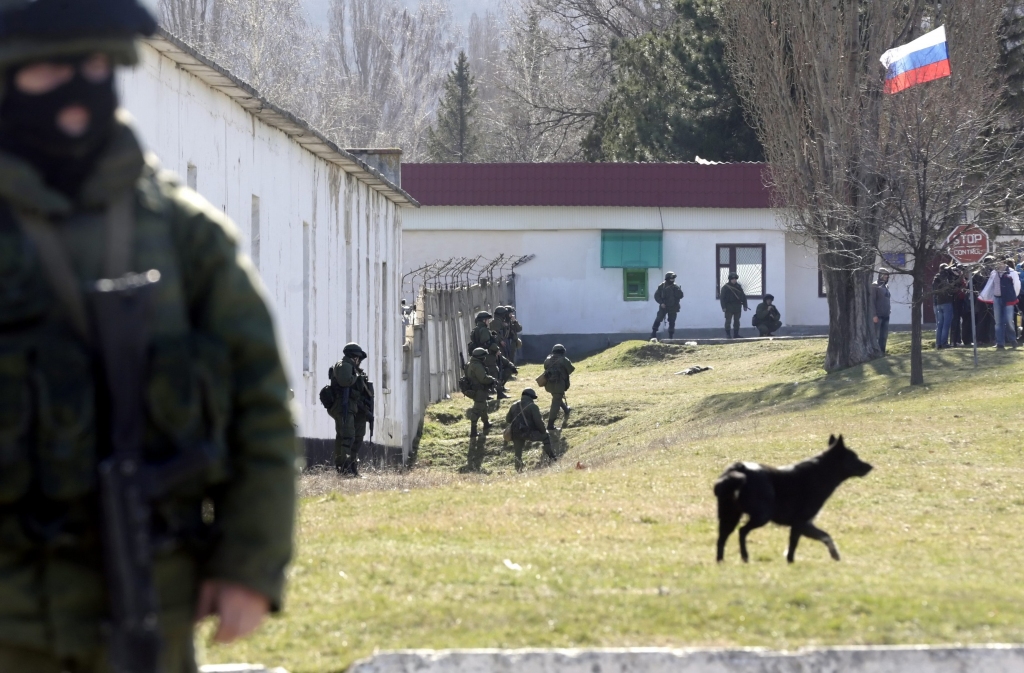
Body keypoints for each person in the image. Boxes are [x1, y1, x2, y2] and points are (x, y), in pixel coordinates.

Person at [0, 1, 297, 670]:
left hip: (150, 599)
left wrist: (250, 561)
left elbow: (261, 403)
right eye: (52, 69)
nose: (78, 91)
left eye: (95, 66)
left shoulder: (186, 235)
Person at [329, 342, 373, 476]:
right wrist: (357, 377)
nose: (359, 361)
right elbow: (345, 381)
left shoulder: (354, 369)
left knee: (357, 437)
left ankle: (352, 467)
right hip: (344, 406)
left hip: (355, 408)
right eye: (358, 358)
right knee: (346, 437)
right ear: (354, 357)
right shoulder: (344, 365)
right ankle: (344, 468)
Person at [504, 388, 555, 471]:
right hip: (529, 432)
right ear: (530, 397)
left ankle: (518, 469)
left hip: (515, 433)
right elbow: (538, 422)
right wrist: (543, 431)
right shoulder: (532, 406)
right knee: (545, 437)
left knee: (518, 452)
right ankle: (552, 457)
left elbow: (508, 419)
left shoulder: (514, 406)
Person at [979, 258, 1021, 350]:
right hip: (997, 299)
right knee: (998, 322)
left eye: (999, 262)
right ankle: (1000, 343)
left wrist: (1013, 296)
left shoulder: (1011, 273)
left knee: (1009, 320)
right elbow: (990, 285)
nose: (997, 264)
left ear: (1003, 262)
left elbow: (1017, 285)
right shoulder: (994, 273)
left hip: (1008, 299)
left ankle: (1012, 340)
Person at [543, 344, 575, 431]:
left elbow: (545, 368)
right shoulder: (563, 360)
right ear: (562, 351)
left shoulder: (547, 360)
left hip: (549, 385)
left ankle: (566, 409)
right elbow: (571, 369)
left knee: (557, 398)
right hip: (559, 384)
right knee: (555, 404)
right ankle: (550, 425)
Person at [466, 347, 496, 438]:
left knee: (484, 406)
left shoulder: (472, 363)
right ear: (480, 357)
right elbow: (483, 379)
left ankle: (486, 423)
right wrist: (492, 379)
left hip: (477, 390)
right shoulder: (477, 366)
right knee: (477, 409)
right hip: (479, 390)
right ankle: (473, 431)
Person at [651, 271, 684, 340]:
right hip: (664, 306)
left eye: (673, 279)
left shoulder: (676, 287)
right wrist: (661, 303)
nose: (672, 280)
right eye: (671, 279)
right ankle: (653, 333)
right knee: (659, 318)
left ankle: (670, 336)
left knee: (672, 321)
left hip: (673, 307)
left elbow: (681, 296)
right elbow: (656, 296)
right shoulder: (661, 286)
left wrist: (679, 291)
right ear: (667, 279)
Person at [932, 263, 957, 348]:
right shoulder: (947, 277)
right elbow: (952, 288)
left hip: (939, 302)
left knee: (940, 324)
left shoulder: (936, 277)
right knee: (946, 324)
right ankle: (944, 343)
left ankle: (938, 343)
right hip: (947, 302)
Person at [719, 272, 749, 339]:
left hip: (737, 306)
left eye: (735, 278)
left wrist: (745, 305)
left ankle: (736, 334)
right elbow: (722, 298)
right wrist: (723, 307)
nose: (734, 280)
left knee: (737, 321)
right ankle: (728, 334)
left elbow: (743, 296)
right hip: (729, 306)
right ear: (730, 279)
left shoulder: (739, 287)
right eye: (732, 279)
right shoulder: (725, 287)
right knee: (728, 321)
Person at [872, 269, 892, 354]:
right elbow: (872, 301)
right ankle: (876, 352)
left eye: (887, 275)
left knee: (884, 336)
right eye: (884, 275)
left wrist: (889, 309)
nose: (886, 276)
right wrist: (874, 315)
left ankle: (882, 352)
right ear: (880, 275)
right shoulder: (875, 286)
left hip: (886, 315)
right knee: (877, 335)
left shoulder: (886, 286)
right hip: (878, 315)